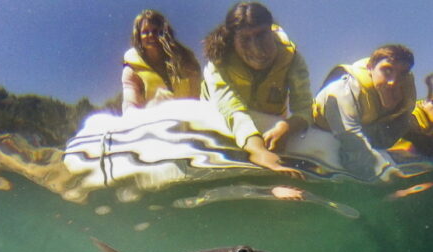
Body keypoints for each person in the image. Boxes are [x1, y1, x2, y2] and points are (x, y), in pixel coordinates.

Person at [202, 2, 312, 178]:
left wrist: (286, 127)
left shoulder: (293, 59)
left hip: (270, 131)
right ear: (232, 41)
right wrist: (259, 152)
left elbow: (305, 109)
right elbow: (231, 109)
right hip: (221, 134)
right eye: (245, 39)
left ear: (271, 29)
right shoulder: (218, 62)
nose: (257, 48)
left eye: (261, 35)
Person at [313, 44, 416, 181]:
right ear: (370, 68)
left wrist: (390, 109)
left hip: (361, 143)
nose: (393, 82)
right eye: (387, 70)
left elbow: (383, 142)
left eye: (402, 74)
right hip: (317, 140)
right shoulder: (340, 91)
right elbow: (351, 139)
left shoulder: (402, 98)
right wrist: (388, 174)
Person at [121, 10, 201, 112]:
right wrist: (154, 106)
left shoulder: (186, 60)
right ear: (138, 37)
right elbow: (130, 106)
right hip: (153, 122)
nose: (150, 35)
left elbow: (196, 97)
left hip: (187, 118)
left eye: (155, 31)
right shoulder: (132, 69)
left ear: (165, 33)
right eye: (145, 32)